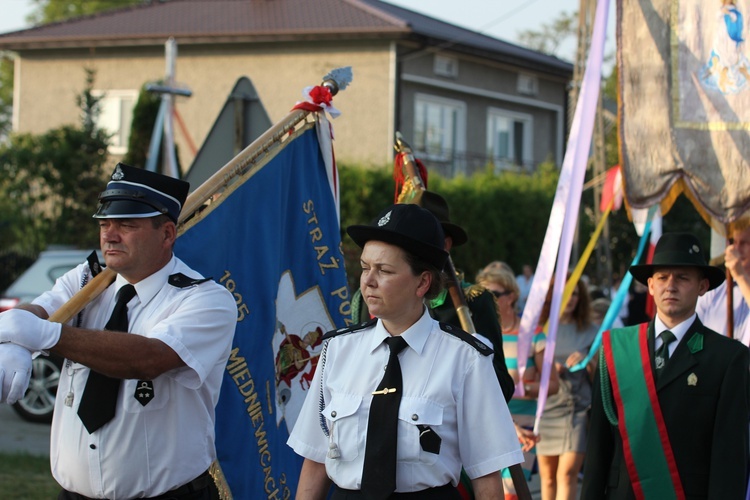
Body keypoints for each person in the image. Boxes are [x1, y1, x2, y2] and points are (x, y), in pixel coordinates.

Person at [0, 163, 237, 499]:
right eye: (105, 223)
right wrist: (15, 341)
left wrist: (50, 336)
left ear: (167, 234)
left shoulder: (206, 300)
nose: (110, 235)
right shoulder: (86, 280)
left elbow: (147, 358)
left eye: (127, 225)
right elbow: (40, 309)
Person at [288, 203, 523, 499]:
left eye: (384, 270)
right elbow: (316, 459)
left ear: (423, 282)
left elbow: (487, 474)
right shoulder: (338, 350)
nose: (368, 281)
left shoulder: (465, 360)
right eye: (364, 267)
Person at [581, 232, 750, 499]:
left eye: (682, 277)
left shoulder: (728, 358)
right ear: (650, 285)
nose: (670, 286)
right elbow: (598, 448)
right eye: (662, 277)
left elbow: (729, 457)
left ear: (702, 287)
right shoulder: (618, 348)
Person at [351, 191, 515, 402]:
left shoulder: (473, 300)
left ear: (445, 244)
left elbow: (500, 390)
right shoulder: (370, 297)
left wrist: (478, 363)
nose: (370, 280)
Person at [477, 267, 559, 500]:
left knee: (512, 492)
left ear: (511, 296)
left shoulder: (533, 333)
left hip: (523, 424)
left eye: (493, 294)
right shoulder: (478, 336)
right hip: (487, 421)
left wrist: (522, 388)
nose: (486, 301)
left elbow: (553, 385)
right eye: (482, 295)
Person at [536, 276, 598, 500]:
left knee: (567, 473)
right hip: (546, 410)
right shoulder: (539, 329)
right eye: (566, 292)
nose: (570, 298)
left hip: (576, 408)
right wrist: (549, 367)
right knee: (548, 476)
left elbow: (603, 372)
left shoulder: (592, 330)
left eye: (575, 293)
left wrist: (587, 358)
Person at [696, 222, 750, 345]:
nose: (736, 250)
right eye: (733, 243)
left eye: (743, 243)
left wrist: (740, 275)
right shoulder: (713, 291)